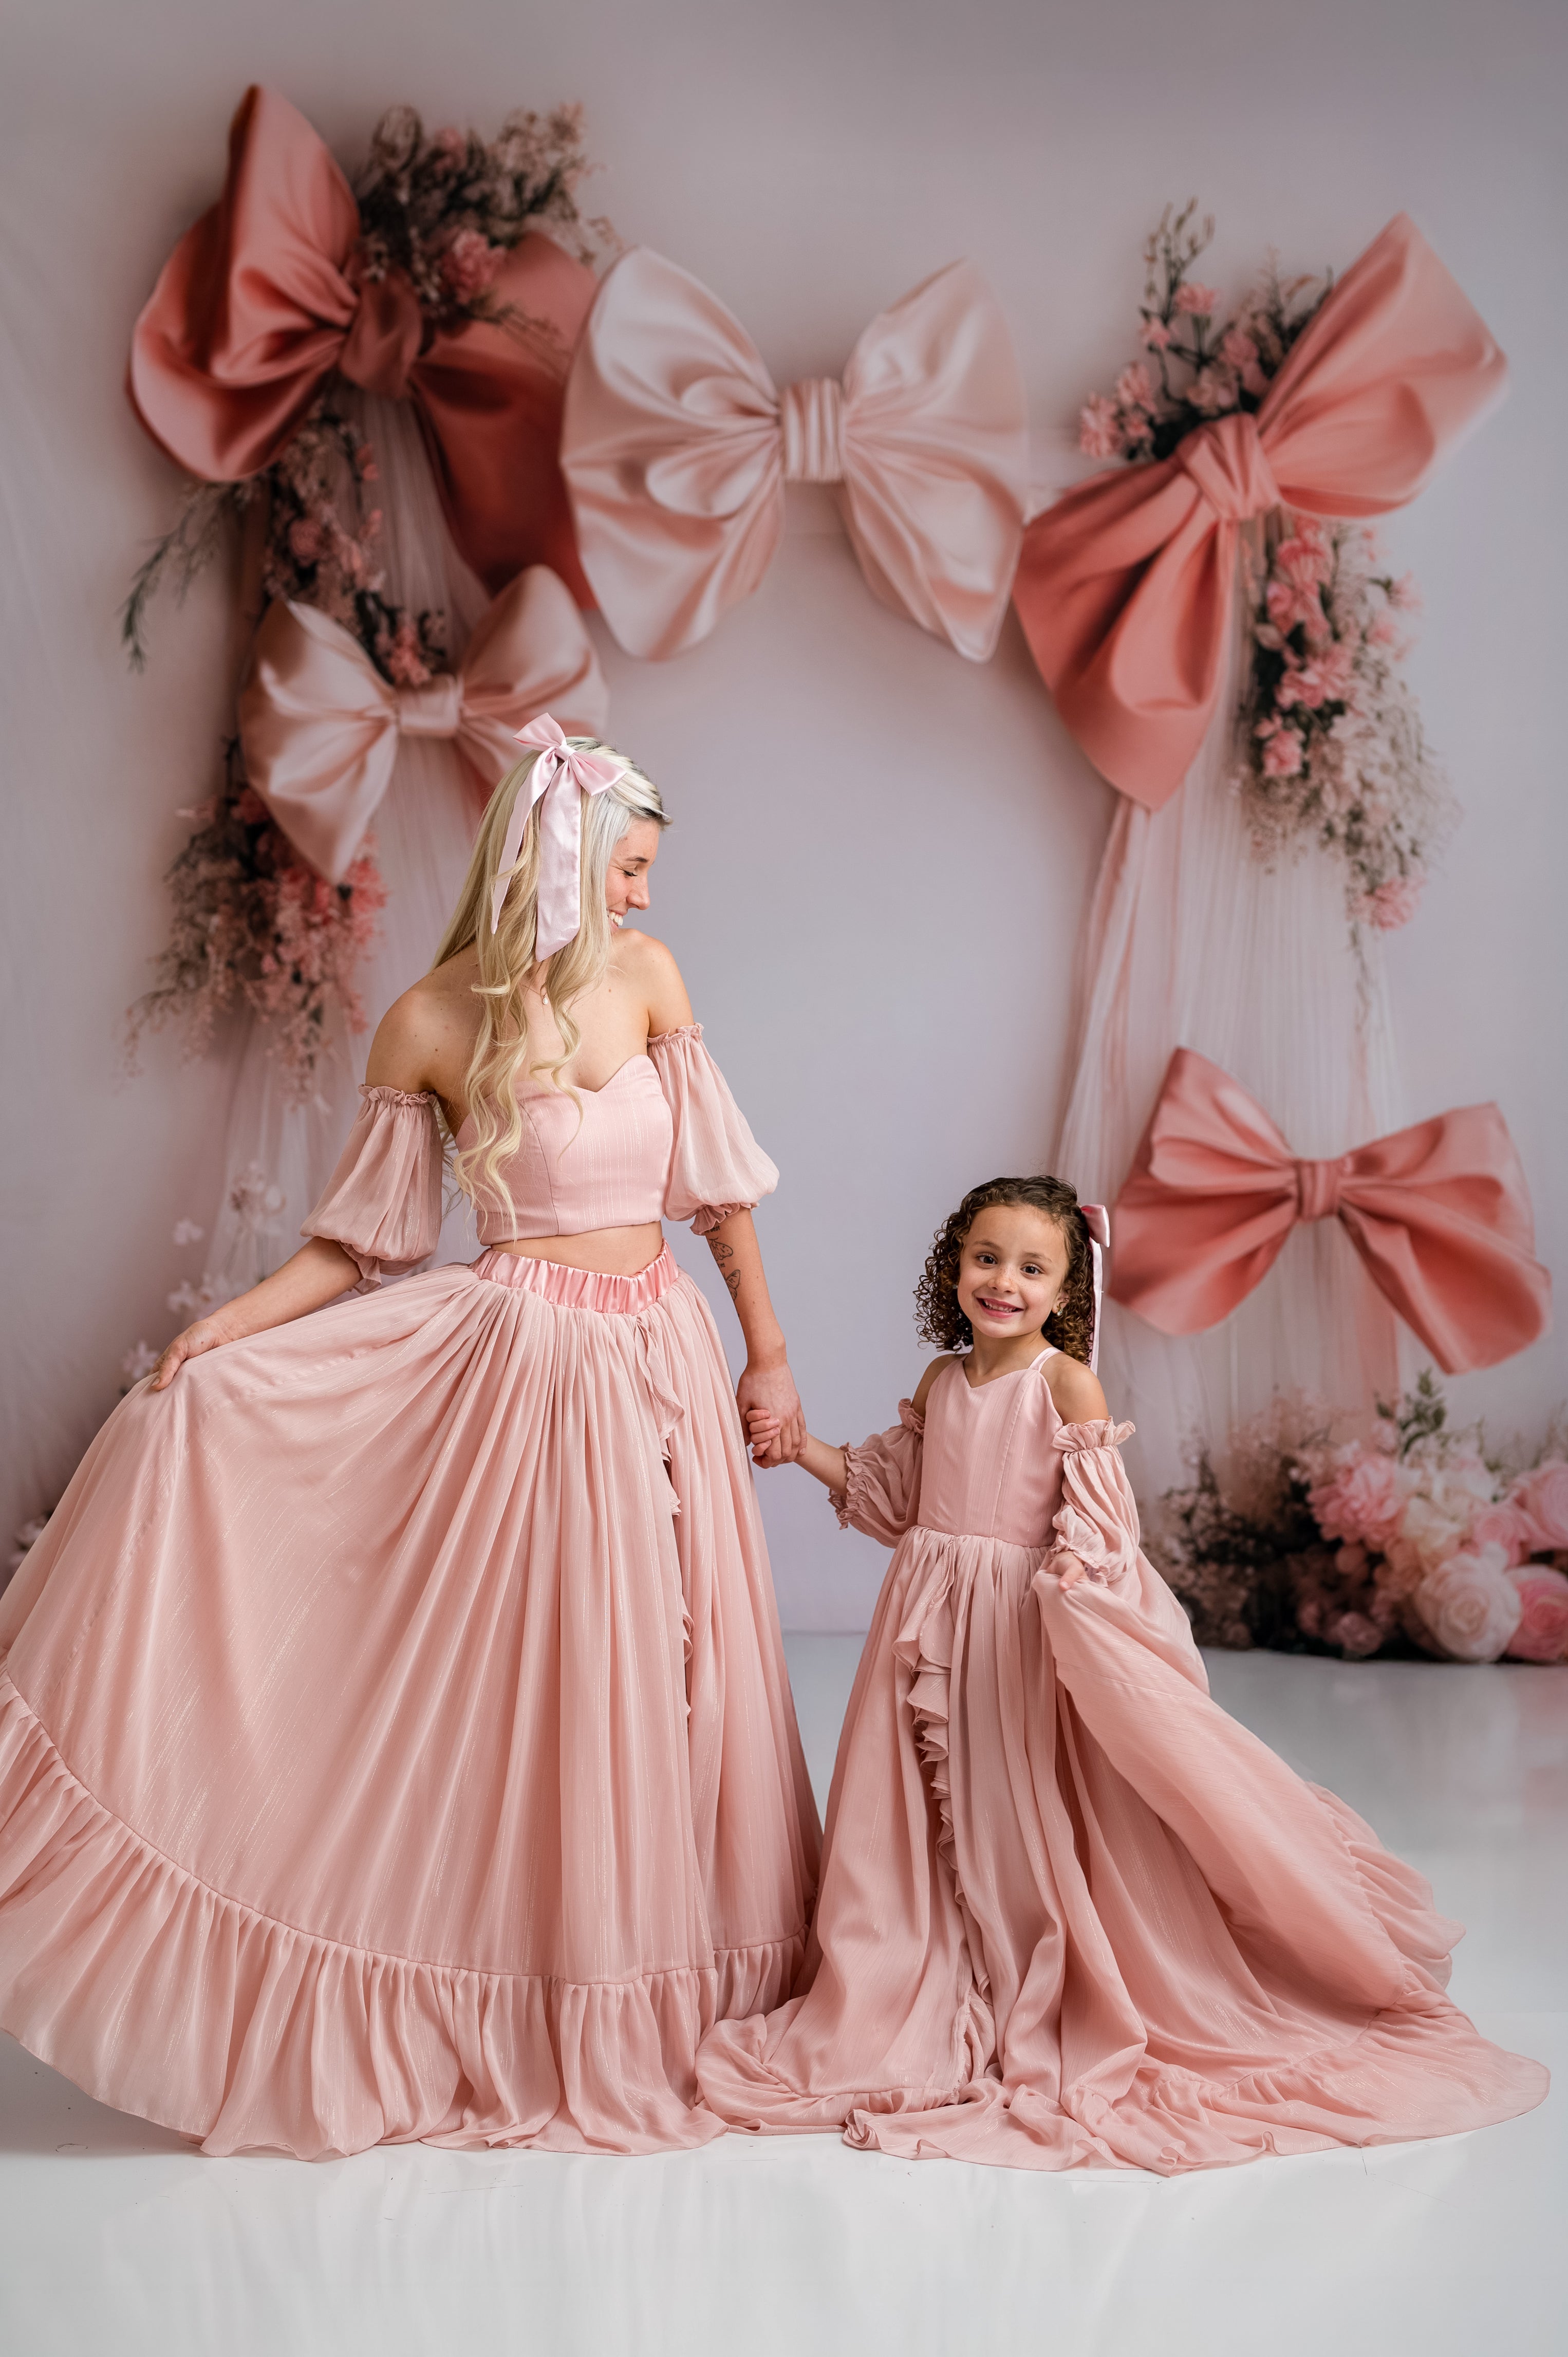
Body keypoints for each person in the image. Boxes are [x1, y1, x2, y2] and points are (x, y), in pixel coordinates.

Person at [0, 721, 820, 2159]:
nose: (639, 897)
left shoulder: (648, 981)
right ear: (556, 860)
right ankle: (533, 1995)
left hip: (663, 1353)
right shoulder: (432, 1021)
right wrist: (226, 1330)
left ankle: (671, 1985)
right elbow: (357, 1246)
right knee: (554, 1678)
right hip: (524, 1372)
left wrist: (766, 1350)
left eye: (643, 872)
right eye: (623, 869)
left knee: (676, 1662)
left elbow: (719, 1197)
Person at [698, 1174, 1547, 2171]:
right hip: (922, 1619)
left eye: (1029, 1267)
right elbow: (892, 1497)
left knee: (1005, 1815)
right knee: (907, 1820)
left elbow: (1099, 1532)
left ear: (1064, 1290)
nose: (1001, 1282)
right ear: (952, 1266)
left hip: (1011, 1631)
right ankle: (905, 1969)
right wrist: (798, 1448)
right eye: (984, 1258)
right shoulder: (939, 1382)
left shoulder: (1065, 1386)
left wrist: (1078, 1605)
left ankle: (1022, 1973)